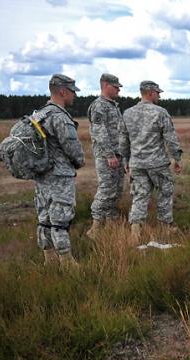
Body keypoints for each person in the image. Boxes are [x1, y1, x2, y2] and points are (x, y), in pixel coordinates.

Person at [120, 80, 183, 241]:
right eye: (158, 93)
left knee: (139, 197)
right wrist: (177, 157)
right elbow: (170, 138)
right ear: (150, 93)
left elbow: (123, 141)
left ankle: (135, 234)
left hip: (137, 164)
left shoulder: (127, 113)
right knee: (165, 193)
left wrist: (126, 160)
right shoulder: (160, 112)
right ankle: (165, 229)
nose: (159, 96)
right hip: (158, 163)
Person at [37, 74, 86, 266]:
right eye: (73, 91)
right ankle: (66, 262)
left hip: (42, 175)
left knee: (44, 218)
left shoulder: (39, 114)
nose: (75, 95)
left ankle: (49, 258)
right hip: (59, 176)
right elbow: (72, 147)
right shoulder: (59, 117)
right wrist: (79, 160)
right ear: (63, 91)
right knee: (60, 219)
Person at [86, 73, 125, 240]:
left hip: (118, 155)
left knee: (116, 190)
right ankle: (95, 227)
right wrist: (109, 155)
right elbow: (99, 132)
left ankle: (111, 223)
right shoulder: (99, 106)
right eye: (115, 86)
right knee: (106, 189)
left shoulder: (113, 106)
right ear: (105, 85)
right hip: (107, 157)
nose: (118, 89)